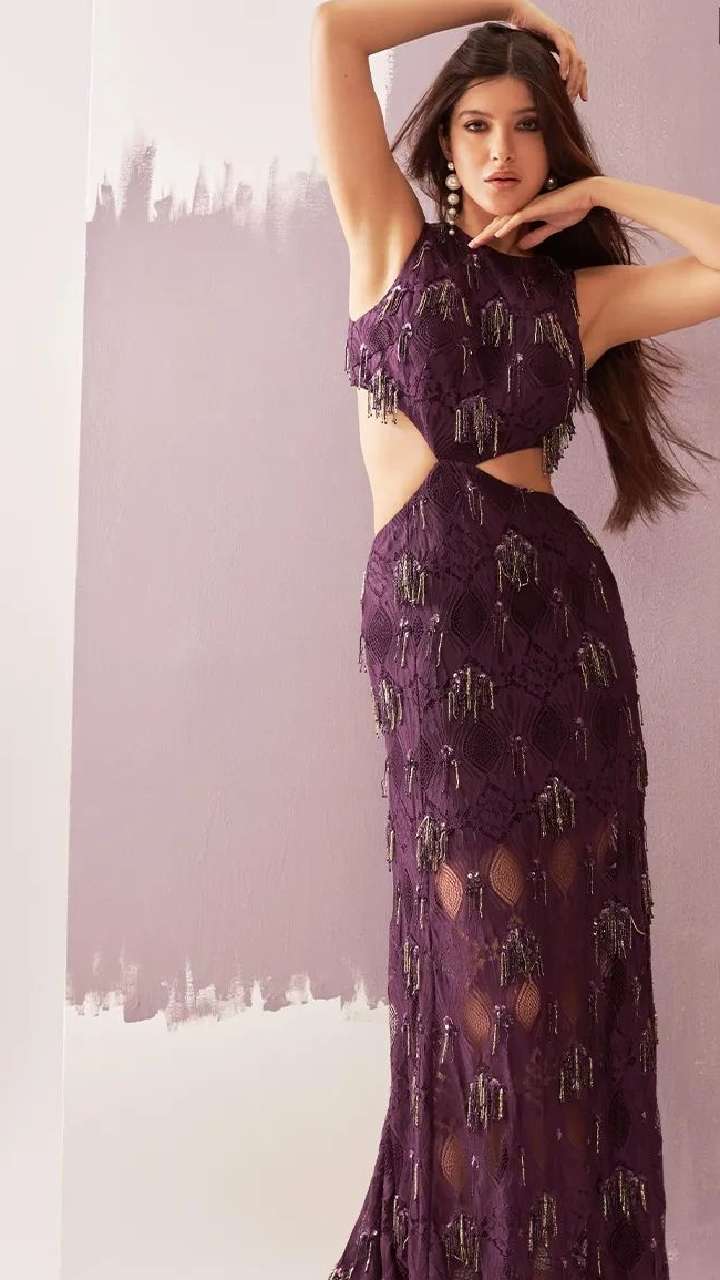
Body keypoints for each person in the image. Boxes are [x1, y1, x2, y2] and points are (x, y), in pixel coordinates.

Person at [311, 3, 720, 1276]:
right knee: (480, 992)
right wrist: (509, 2)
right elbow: (334, 28)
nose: (501, 150)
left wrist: (607, 193)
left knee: (555, 1006)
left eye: (528, 129)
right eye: (478, 126)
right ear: (444, 145)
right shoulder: (387, 244)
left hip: (564, 661)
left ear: (552, 151)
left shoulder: (575, 300)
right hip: (438, 657)